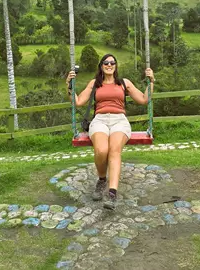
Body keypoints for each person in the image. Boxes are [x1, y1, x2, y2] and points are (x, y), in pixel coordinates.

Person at [66, 54, 154, 210]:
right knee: (101, 150)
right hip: (99, 120)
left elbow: (144, 99)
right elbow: (78, 102)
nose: (109, 64)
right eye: (106, 62)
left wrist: (151, 81)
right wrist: (69, 86)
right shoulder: (95, 84)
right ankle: (101, 180)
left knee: (114, 150)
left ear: (116, 66)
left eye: (112, 62)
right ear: (101, 66)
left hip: (119, 120)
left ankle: (112, 194)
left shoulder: (124, 83)